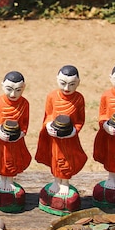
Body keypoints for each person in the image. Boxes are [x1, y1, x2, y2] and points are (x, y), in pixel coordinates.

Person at [35, 65, 88, 196]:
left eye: (72, 84)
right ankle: (56, 181)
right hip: (55, 138)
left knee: (67, 160)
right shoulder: (52, 96)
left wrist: (73, 131)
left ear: (78, 83)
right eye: (63, 83)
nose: (66, 88)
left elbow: (80, 119)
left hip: (70, 139)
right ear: (57, 80)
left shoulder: (79, 99)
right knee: (55, 159)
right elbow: (48, 116)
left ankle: (65, 183)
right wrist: (48, 126)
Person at [0, 71, 32, 192]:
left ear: (23, 88)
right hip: (1, 140)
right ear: (2, 86)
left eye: (18, 90)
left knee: (13, 160)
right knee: (1, 159)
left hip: (16, 140)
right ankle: (2, 180)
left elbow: (25, 123)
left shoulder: (24, 104)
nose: (13, 94)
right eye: (9, 89)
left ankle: (10, 181)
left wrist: (21, 134)